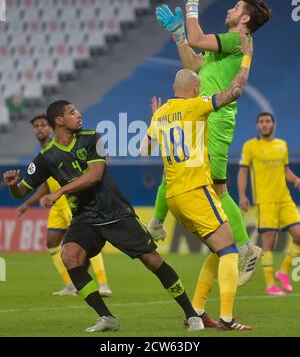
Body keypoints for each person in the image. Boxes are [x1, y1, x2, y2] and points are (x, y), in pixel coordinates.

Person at [3, 101, 203, 332]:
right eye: (71, 112)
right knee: (70, 256)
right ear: (59, 121)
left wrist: (60, 191)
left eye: (77, 110)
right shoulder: (46, 157)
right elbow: (21, 192)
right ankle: (107, 317)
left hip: (114, 212)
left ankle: (191, 314)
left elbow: (95, 176)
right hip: (85, 218)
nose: (78, 114)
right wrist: (12, 186)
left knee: (153, 261)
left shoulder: (92, 138)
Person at [150, 0, 272, 288]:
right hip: (203, 118)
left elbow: (197, 38)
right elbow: (193, 63)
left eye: (235, 7)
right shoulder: (228, 47)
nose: (229, 9)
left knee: (218, 189)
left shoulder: (238, 40)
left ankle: (245, 248)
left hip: (216, 122)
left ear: (244, 18)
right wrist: (178, 33)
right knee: (175, 170)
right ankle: (156, 225)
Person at [141, 31, 252, 330]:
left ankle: (199, 311)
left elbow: (145, 149)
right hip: (196, 190)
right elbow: (233, 94)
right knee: (229, 250)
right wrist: (245, 62)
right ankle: (227, 318)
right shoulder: (195, 105)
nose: (201, 86)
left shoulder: (161, 114)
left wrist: (156, 119)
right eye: (199, 85)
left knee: (219, 249)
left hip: (175, 196)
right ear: (192, 89)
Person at [16, 114, 112, 297]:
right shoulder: (42, 156)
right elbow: (44, 184)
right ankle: (71, 285)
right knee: (51, 243)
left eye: (43, 124)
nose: (39, 129)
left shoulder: (59, 149)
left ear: (51, 127)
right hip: (56, 206)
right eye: (36, 126)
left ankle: (103, 285)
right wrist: (27, 203)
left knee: (86, 242)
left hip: (71, 201)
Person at [238, 112, 300, 295]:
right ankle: (270, 284)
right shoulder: (250, 146)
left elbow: (285, 170)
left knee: (298, 235)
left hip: (285, 199)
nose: (264, 124)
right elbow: (242, 172)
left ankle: (283, 272)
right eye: (261, 122)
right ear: (257, 126)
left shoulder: (282, 145)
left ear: (273, 124)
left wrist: (296, 180)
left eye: (268, 121)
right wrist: (242, 195)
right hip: (265, 201)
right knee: (269, 242)